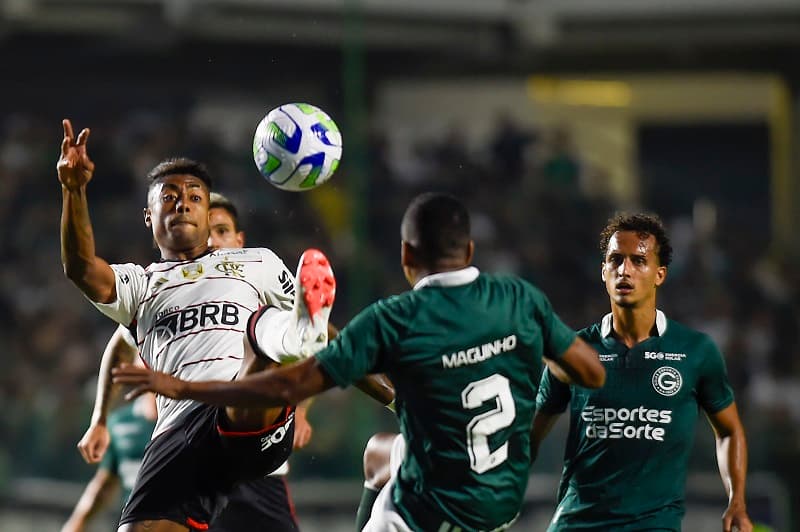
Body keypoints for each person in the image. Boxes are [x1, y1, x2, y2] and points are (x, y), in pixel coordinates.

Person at [112, 191, 606, 531]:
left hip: (427, 509)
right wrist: (526, 432)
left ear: (407, 256)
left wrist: (183, 389)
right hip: (502, 498)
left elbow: (283, 388)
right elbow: (589, 373)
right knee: (378, 452)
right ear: (471, 250)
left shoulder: (394, 319)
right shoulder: (520, 299)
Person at [57, 118, 393, 532]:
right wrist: (74, 191)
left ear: (205, 210)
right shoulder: (140, 285)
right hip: (179, 432)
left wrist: (392, 398)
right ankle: (291, 338)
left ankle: (290, 339)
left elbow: (332, 339)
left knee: (264, 329)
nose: (182, 203)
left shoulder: (258, 263)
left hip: (248, 413)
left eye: (194, 197)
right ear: (148, 216)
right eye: (170, 196)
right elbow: (81, 269)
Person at [67, 192, 312, 531]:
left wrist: (304, 410)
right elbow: (120, 346)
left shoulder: (257, 279)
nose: (213, 239)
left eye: (222, 231)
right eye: (207, 230)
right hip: (192, 440)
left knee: (268, 332)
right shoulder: (168, 292)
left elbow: (317, 344)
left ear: (239, 240)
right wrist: (100, 419)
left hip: (253, 462)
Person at [531, 213, 752, 532]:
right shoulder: (572, 350)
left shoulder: (696, 351)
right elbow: (530, 436)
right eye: (616, 260)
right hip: (577, 523)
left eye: (638, 260)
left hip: (654, 525)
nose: (625, 270)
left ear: (660, 274)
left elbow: (729, 431)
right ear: (603, 271)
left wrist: (737, 501)